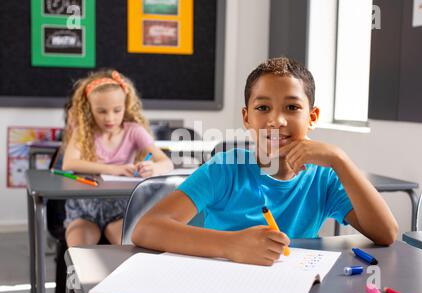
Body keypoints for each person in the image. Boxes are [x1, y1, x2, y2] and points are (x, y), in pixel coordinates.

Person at [132, 57, 398, 266]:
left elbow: (386, 233)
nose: (276, 121)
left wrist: (340, 160)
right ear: (247, 118)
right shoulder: (225, 168)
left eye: (292, 108)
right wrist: (231, 245)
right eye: (263, 108)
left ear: (312, 117)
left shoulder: (323, 178)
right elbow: (146, 229)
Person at [62, 69, 174, 247]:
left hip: (121, 210)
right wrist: (114, 169)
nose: (110, 118)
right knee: (79, 251)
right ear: (89, 109)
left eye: (117, 110)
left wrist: (155, 168)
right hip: (84, 210)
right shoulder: (83, 132)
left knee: (129, 249)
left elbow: (166, 162)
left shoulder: (134, 131)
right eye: (101, 111)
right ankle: (75, 275)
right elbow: (69, 163)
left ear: (126, 106)